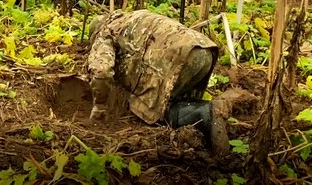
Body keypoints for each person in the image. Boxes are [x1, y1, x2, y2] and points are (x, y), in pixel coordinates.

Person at [85, 9, 230, 155]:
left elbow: (101, 72)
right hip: (204, 49)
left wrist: (99, 106)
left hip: (179, 58)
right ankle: (213, 122)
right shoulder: (131, 17)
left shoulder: (105, 32)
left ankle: (205, 114)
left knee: (156, 112)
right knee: (178, 100)